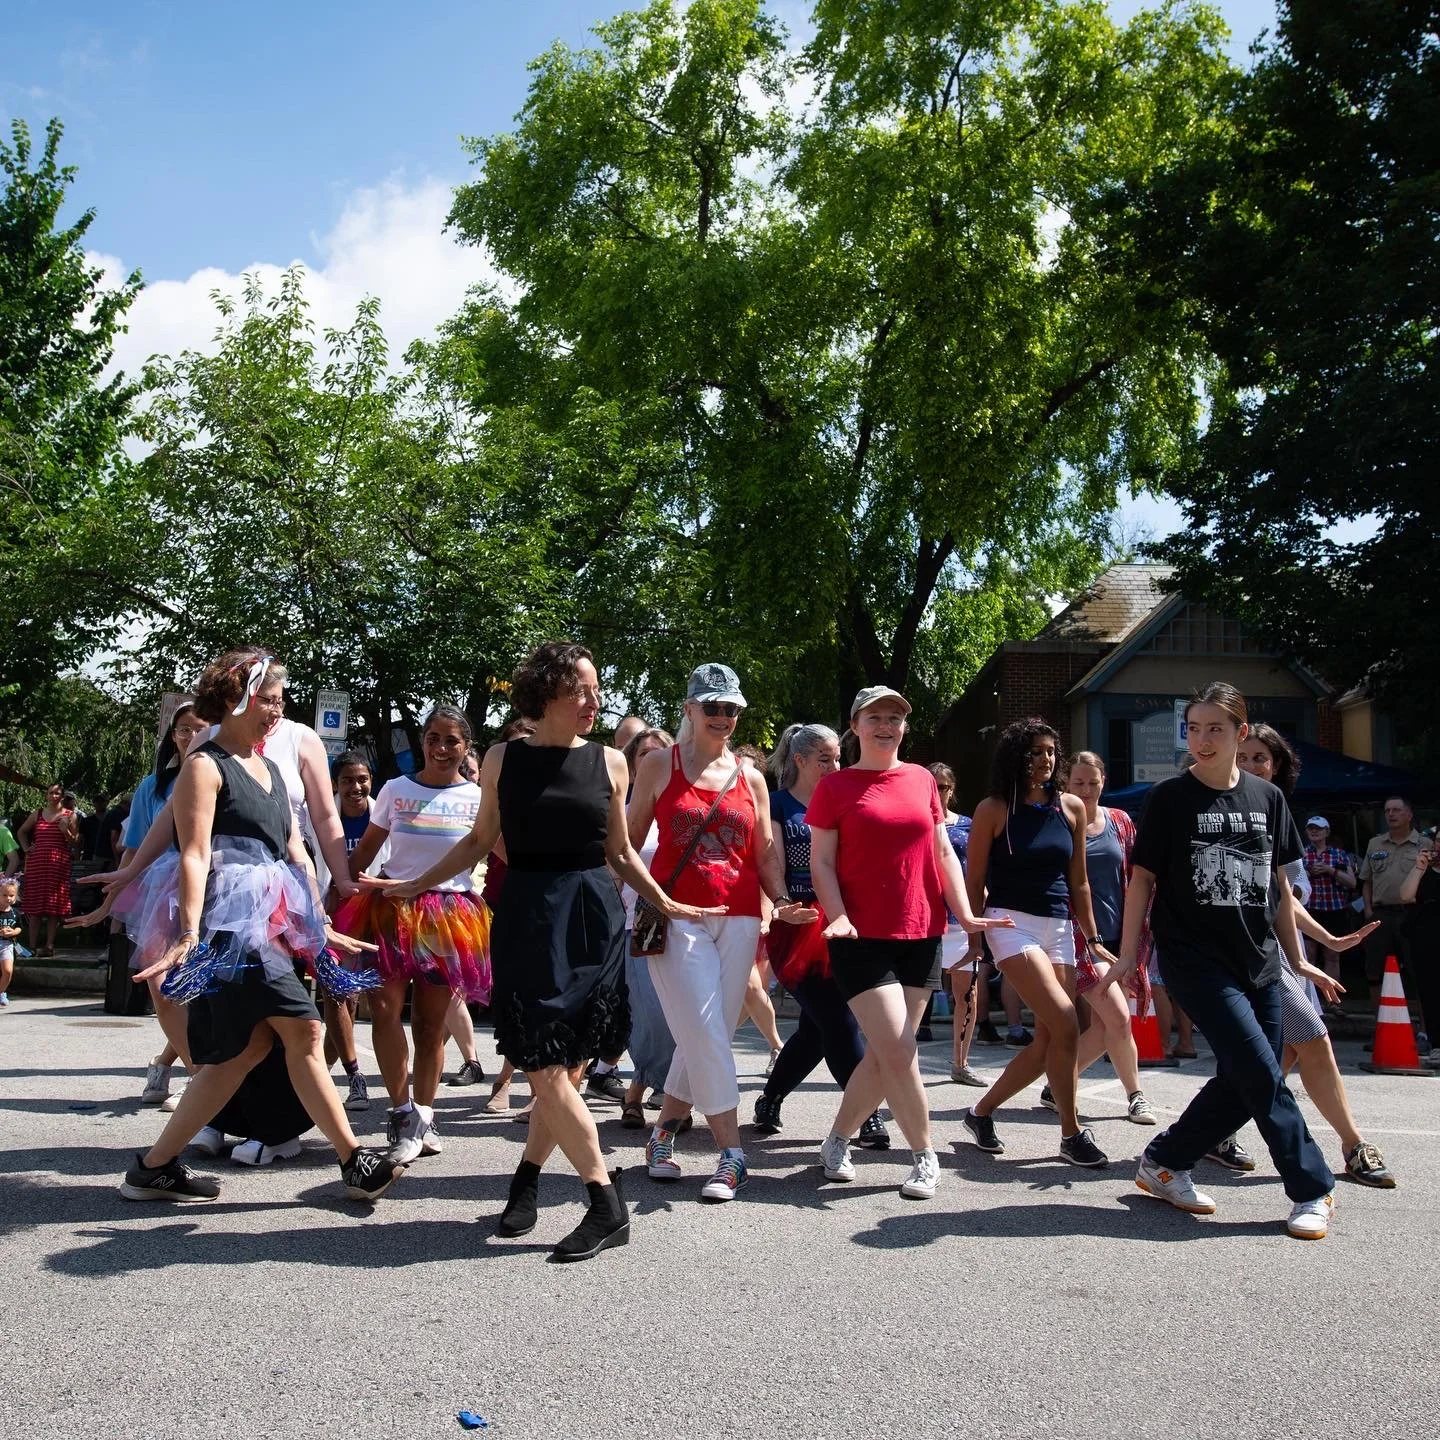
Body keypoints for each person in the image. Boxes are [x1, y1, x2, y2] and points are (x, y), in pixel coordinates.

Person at [391, 641, 719, 1260]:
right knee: (541, 1062)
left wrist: (664, 902)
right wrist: (413, 883)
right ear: (546, 694)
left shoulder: (610, 764)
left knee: (561, 1068)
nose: (595, 702)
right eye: (582, 690)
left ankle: (527, 1181)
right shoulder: (500, 758)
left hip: (591, 918)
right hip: (527, 916)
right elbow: (479, 842)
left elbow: (620, 853)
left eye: (597, 691)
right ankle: (604, 1201)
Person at [113, 648, 402, 1204]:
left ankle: (153, 1166)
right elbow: (195, 855)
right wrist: (191, 932)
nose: (279, 710)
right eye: (270, 700)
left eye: (280, 700)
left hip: (271, 926)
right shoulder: (205, 765)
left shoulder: (270, 767)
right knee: (305, 1031)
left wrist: (316, 923)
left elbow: (294, 852)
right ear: (237, 699)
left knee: (238, 1054)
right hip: (231, 930)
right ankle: (354, 1160)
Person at [1104, 682, 1339, 1239]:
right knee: (1260, 1070)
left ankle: (1165, 1161)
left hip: (1257, 960)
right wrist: (1129, 953)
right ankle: (1312, 1187)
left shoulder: (1268, 798)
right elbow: (1142, 880)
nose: (1202, 739)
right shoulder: (1169, 798)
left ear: (1241, 732)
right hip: (1192, 958)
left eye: (1215, 728)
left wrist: (1296, 959)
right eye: (1193, 727)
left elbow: (1278, 888)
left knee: (1245, 1072)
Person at [809, 686, 1012, 1201]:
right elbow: (822, 863)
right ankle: (925, 1154)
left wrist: (965, 914)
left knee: (884, 1054)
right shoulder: (834, 788)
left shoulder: (922, 779)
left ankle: (836, 1140)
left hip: (921, 931)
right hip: (858, 936)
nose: (887, 725)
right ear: (855, 725)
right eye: (876, 716)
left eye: (896, 718)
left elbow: (942, 849)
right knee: (900, 1051)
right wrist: (837, 916)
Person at [627, 662, 805, 1203]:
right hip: (676, 913)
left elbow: (765, 853)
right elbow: (629, 842)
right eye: (713, 707)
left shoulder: (752, 778)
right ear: (689, 710)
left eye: (731, 708)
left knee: (706, 1034)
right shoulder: (660, 764)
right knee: (704, 1031)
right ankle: (732, 1154)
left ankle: (662, 1135)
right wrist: (643, 898)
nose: (723, 717)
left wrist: (780, 902)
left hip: (742, 915)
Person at [1217, 724, 1394, 1187]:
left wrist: (1328, 943)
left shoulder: (1275, 813)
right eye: (1245, 757)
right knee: (1311, 1040)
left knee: (1283, 1055)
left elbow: (1283, 900)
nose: (1253, 765)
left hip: (1272, 950)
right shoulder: (1227, 813)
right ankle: (1353, 1145)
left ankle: (1218, 1130)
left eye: (1262, 758)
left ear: (1277, 765)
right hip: (1239, 953)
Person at [336, 705, 489, 1166]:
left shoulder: (478, 799)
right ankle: (401, 1111)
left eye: (452, 741)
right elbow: (365, 850)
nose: (441, 749)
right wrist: (335, 895)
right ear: (422, 742)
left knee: (429, 1025)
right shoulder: (395, 790)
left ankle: (424, 1114)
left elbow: (503, 852)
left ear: (466, 747)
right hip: (392, 910)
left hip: (450, 916)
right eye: (433, 739)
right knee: (382, 1010)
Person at [959, 719, 1114, 1168]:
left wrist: (1093, 936)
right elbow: (975, 879)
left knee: (1051, 1039)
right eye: (1034, 753)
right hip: (1009, 923)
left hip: (1059, 926)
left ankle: (980, 1111)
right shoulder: (993, 809)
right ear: (1014, 757)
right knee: (1068, 1023)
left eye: (1050, 751)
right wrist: (975, 935)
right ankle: (1071, 1133)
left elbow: (1080, 881)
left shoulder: (1071, 808)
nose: (1045, 760)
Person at [751, 724, 889, 1147]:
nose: (836, 766)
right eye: (825, 759)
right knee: (838, 1017)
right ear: (800, 761)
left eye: (838, 758)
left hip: (843, 920)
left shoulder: (844, 800)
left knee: (816, 1027)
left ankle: (770, 1097)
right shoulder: (776, 803)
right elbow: (766, 862)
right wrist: (776, 907)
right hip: (796, 924)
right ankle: (864, 1114)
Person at [1040, 751, 1157, 1124]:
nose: (1087, 790)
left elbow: (1139, 877)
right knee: (1119, 1020)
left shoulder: (1120, 821)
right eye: (1078, 783)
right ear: (1065, 784)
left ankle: (1057, 1083)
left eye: (1093, 782)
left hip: (1120, 938)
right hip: (1079, 939)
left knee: (1106, 1026)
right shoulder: (1059, 822)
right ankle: (1136, 1096)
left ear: (1103, 782)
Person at [119, 702, 209, 1110]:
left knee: (201, 988)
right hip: (158, 891)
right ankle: (198, 1075)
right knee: (162, 983)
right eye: (182, 729)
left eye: (199, 728)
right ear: (172, 735)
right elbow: (135, 846)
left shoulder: (222, 774)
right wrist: (115, 900)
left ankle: (165, 1064)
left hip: (209, 889)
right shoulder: (152, 786)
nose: (190, 736)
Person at [617, 725, 678, 1128]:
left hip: (688, 921)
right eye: (644, 755)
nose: (653, 761)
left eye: (661, 754)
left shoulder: (682, 809)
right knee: (648, 1014)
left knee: (680, 1017)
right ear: (634, 766)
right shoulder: (620, 812)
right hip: (639, 919)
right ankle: (639, 1089)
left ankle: (664, 1097)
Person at [327, 750, 387, 1110]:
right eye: (347, 780)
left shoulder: (383, 816)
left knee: (362, 1000)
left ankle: (316, 1070)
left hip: (375, 916)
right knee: (336, 994)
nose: (356, 787)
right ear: (336, 783)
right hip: (332, 915)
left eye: (362, 779)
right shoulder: (321, 817)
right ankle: (355, 1077)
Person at [928, 763, 985, 1086]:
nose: (938, 793)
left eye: (944, 787)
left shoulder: (967, 826)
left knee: (968, 994)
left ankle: (960, 1062)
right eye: (932, 786)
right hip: (927, 920)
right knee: (913, 996)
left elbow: (978, 871)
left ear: (952, 790)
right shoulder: (915, 823)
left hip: (960, 920)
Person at [1361, 796, 1423, 1006]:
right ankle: (1379, 1029)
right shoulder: (1375, 843)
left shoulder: (1425, 844)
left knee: (1419, 971)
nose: (1391, 814)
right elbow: (1366, 880)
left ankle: (1425, 1030)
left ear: (1409, 815)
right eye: (1387, 811)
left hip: (1413, 915)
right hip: (1381, 915)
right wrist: (1368, 909)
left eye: (1396, 810)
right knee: (1374, 971)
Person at [17, 783, 79, 956]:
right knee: (35, 906)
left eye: (57, 793)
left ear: (62, 796)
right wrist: (26, 848)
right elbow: (21, 832)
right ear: (46, 795)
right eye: (50, 792)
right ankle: (31, 946)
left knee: (54, 906)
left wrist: (65, 831)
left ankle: (49, 946)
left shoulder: (70, 815)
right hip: (38, 863)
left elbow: (76, 843)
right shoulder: (37, 814)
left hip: (58, 863)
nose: (53, 796)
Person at [1400, 828, 1440, 1067]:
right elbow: (1405, 896)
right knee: (1431, 992)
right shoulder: (1423, 870)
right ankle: (1437, 1045)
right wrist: (1419, 868)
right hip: (1426, 938)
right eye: (1437, 841)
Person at [1302, 816, 1358, 986]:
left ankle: (1332, 1001)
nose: (1314, 831)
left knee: (1332, 954)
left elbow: (1352, 882)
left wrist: (1330, 870)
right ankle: (1309, 999)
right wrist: (1309, 873)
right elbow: (1290, 882)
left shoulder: (1338, 854)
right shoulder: (1302, 853)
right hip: (1310, 910)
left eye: (1318, 828)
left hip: (1334, 909)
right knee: (1308, 955)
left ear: (1327, 832)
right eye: (1311, 828)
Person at [0, 875, 19, 1005]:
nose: (8, 898)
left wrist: (13, 932)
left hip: (7, 945)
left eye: (11, 895)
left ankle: (1, 992)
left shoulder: (15, 912)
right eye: (4, 895)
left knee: (8, 971)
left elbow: (19, 928)